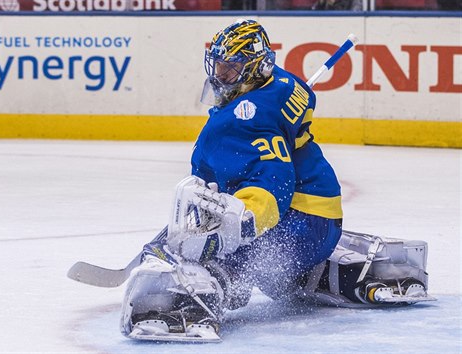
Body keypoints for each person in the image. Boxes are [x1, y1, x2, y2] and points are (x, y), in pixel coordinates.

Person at [119, 19, 432, 343]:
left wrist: (243, 220)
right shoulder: (277, 86)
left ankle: (195, 295)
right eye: (219, 66)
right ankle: (310, 273)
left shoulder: (246, 118)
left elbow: (275, 182)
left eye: (229, 68)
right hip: (320, 221)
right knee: (272, 273)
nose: (219, 75)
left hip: (296, 222)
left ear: (254, 68)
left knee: (218, 252)